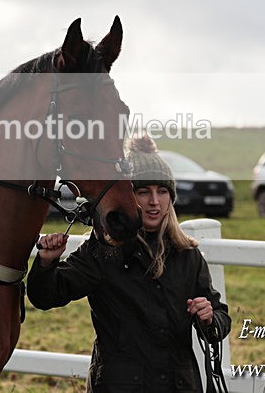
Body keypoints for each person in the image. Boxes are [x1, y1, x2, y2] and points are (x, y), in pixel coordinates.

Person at [27, 135, 231, 392]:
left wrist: (210, 318)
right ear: (126, 197)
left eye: (162, 191)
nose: (154, 202)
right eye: (143, 191)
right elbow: (46, 296)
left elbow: (220, 317)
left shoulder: (187, 255)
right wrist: (47, 263)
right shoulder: (101, 252)